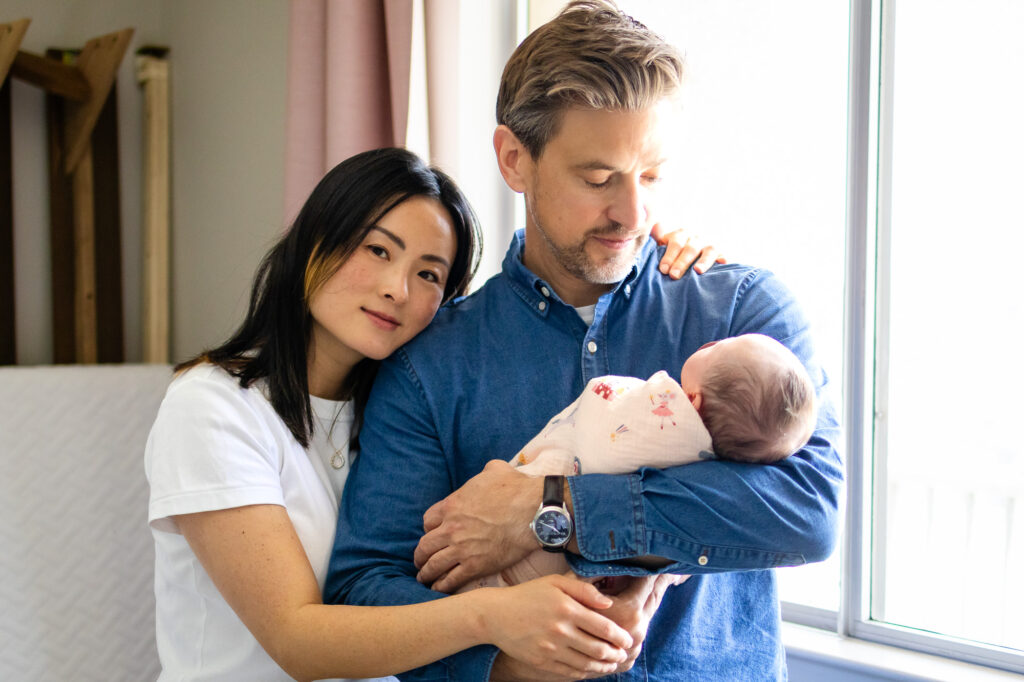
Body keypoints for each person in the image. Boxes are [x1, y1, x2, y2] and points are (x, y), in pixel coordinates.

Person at [324, 2, 843, 682]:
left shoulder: (742, 314)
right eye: (598, 179)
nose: (632, 212)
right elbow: (367, 587)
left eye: (651, 175)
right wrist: (510, 656)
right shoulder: (430, 366)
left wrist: (551, 510)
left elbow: (807, 512)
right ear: (515, 159)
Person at [144, 146, 715, 682]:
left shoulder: (398, 403)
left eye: (428, 274)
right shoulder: (214, 406)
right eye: (378, 250)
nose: (398, 289)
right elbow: (296, 639)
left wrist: (655, 256)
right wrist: (493, 615)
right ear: (315, 241)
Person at [467, 332, 819, 590]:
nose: (714, 341)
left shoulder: (658, 417)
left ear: (693, 402)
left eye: (722, 348)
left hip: (522, 550)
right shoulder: (713, 470)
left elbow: (601, 409)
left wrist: (549, 502)